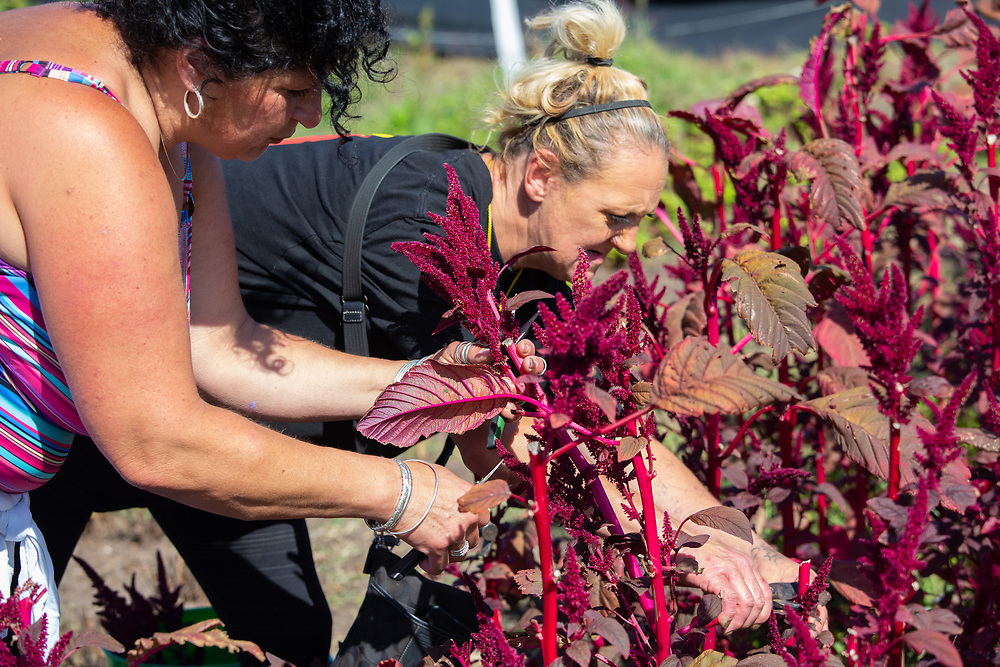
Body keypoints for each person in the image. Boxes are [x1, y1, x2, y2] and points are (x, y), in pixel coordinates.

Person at [27, 0, 818, 662]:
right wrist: (679, 550)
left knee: (286, 632)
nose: (631, 244)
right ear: (539, 175)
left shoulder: (525, 266)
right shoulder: (425, 235)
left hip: (188, 397)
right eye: (618, 216)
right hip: (119, 407)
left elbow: (581, 416)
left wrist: (732, 538)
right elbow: (515, 433)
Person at [0, 0, 548, 659]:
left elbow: (220, 342)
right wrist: (397, 491)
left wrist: (425, 381)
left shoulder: (171, 122)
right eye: (292, 90)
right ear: (199, 64)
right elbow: (154, 438)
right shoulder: (89, 135)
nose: (312, 116)